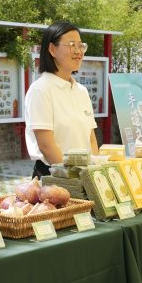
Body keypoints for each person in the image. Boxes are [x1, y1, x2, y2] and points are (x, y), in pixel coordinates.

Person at [25, 20, 99, 177]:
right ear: (52, 49)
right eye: (72, 45)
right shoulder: (41, 90)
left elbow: (91, 139)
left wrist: (95, 174)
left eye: (81, 45)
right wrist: (73, 178)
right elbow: (47, 146)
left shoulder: (82, 91)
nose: (78, 51)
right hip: (54, 176)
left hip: (84, 176)